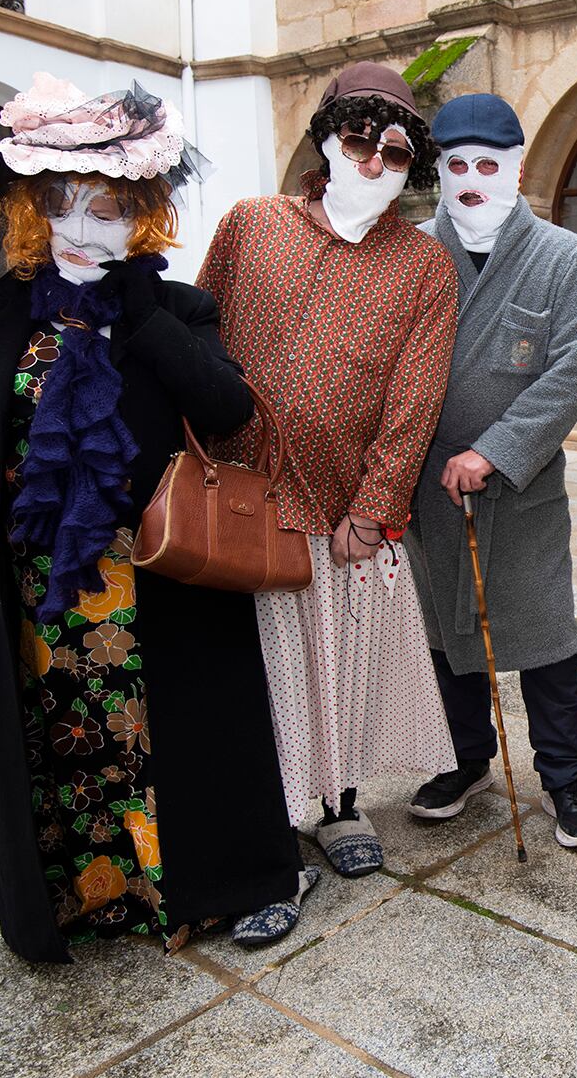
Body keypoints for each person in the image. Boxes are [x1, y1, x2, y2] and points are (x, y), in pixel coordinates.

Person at [0, 74, 308, 959]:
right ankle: (93, 897)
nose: (80, 228)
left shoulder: (177, 307)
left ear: (139, 215)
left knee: (197, 732)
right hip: (44, 579)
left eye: (106, 210)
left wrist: (139, 313)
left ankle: (238, 882)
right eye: (59, 205)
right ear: (27, 209)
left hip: (166, 567)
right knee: (72, 737)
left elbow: (228, 411)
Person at [198, 61, 460, 888]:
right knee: (250, 673)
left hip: (343, 510)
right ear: (327, 139)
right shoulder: (251, 223)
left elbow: (415, 399)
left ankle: (341, 803)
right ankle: (263, 814)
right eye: (359, 140)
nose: (374, 163)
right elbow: (198, 338)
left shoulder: (424, 267)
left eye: (394, 150)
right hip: (238, 498)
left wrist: (377, 507)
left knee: (339, 669)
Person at [404, 93, 577, 849]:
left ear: (516, 169)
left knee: (543, 635)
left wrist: (493, 450)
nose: (470, 180)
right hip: (429, 484)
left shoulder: (561, 257)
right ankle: (465, 761)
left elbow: (570, 373)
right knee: (447, 635)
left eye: (487, 165)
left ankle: (566, 776)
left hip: (520, 489)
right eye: (456, 165)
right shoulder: (414, 253)